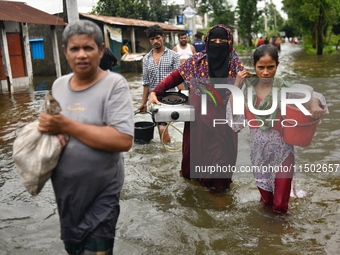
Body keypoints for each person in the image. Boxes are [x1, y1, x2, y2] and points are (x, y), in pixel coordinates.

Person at [37, 20, 134, 254]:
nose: (81, 55)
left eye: (88, 48)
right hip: (67, 193)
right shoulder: (59, 86)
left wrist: (66, 124)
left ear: (100, 50)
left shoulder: (114, 84)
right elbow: (55, 131)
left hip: (103, 191)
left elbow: (123, 140)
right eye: (74, 48)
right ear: (64, 52)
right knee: (75, 249)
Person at [228, 44, 328, 213]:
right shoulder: (246, 90)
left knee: (280, 206)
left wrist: (315, 104)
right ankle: (269, 236)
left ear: (277, 65)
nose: (266, 72)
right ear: (254, 66)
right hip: (259, 155)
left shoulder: (285, 88)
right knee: (266, 203)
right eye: (261, 67)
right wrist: (237, 83)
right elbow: (234, 111)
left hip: (283, 152)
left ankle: (280, 236)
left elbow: (311, 96)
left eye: (270, 67)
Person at [148, 24, 244, 194]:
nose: (217, 44)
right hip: (199, 123)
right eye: (214, 41)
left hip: (222, 126)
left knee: (219, 169)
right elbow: (174, 77)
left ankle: (218, 204)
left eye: (222, 41)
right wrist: (155, 92)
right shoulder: (196, 62)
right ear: (207, 42)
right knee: (195, 165)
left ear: (229, 43)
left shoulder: (235, 65)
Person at [137, 24, 183, 144]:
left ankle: (167, 155)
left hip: (170, 98)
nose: (155, 41)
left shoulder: (173, 56)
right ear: (149, 40)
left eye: (157, 38)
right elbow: (146, 83)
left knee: (163, 128)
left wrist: (185, 96)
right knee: (160, 127)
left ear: (163, 37)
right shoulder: (146, 59)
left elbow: (179, 79)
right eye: (152, 39)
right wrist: (143, 103)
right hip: (154, 99)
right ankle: (166, 151)